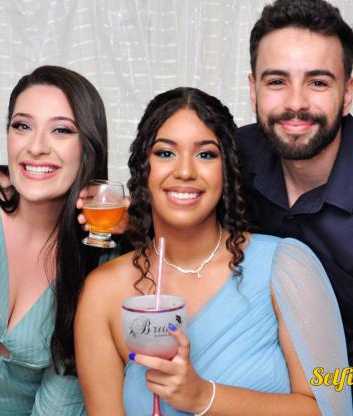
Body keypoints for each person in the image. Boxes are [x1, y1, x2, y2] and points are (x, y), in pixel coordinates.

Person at [75, 87, 351, 415]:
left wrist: (204, 396)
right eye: (166, 153)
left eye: (205, 154)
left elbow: (334, 403)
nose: (185, 171)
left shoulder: (285, 265)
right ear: (143, 167)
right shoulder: (103, 293)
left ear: (227, 169)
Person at [0, 65, 110, 415]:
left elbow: (63, 398)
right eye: (22, 126)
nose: (36, 147)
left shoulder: (99, 251)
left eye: (61, 130)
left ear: (88, 146)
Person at [236, 0, 353, 364]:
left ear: (347, 93)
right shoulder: (228, 155)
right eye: (277, 82)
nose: (296, 103)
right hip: (252, 372)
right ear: (254, 90)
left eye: (317, 82)